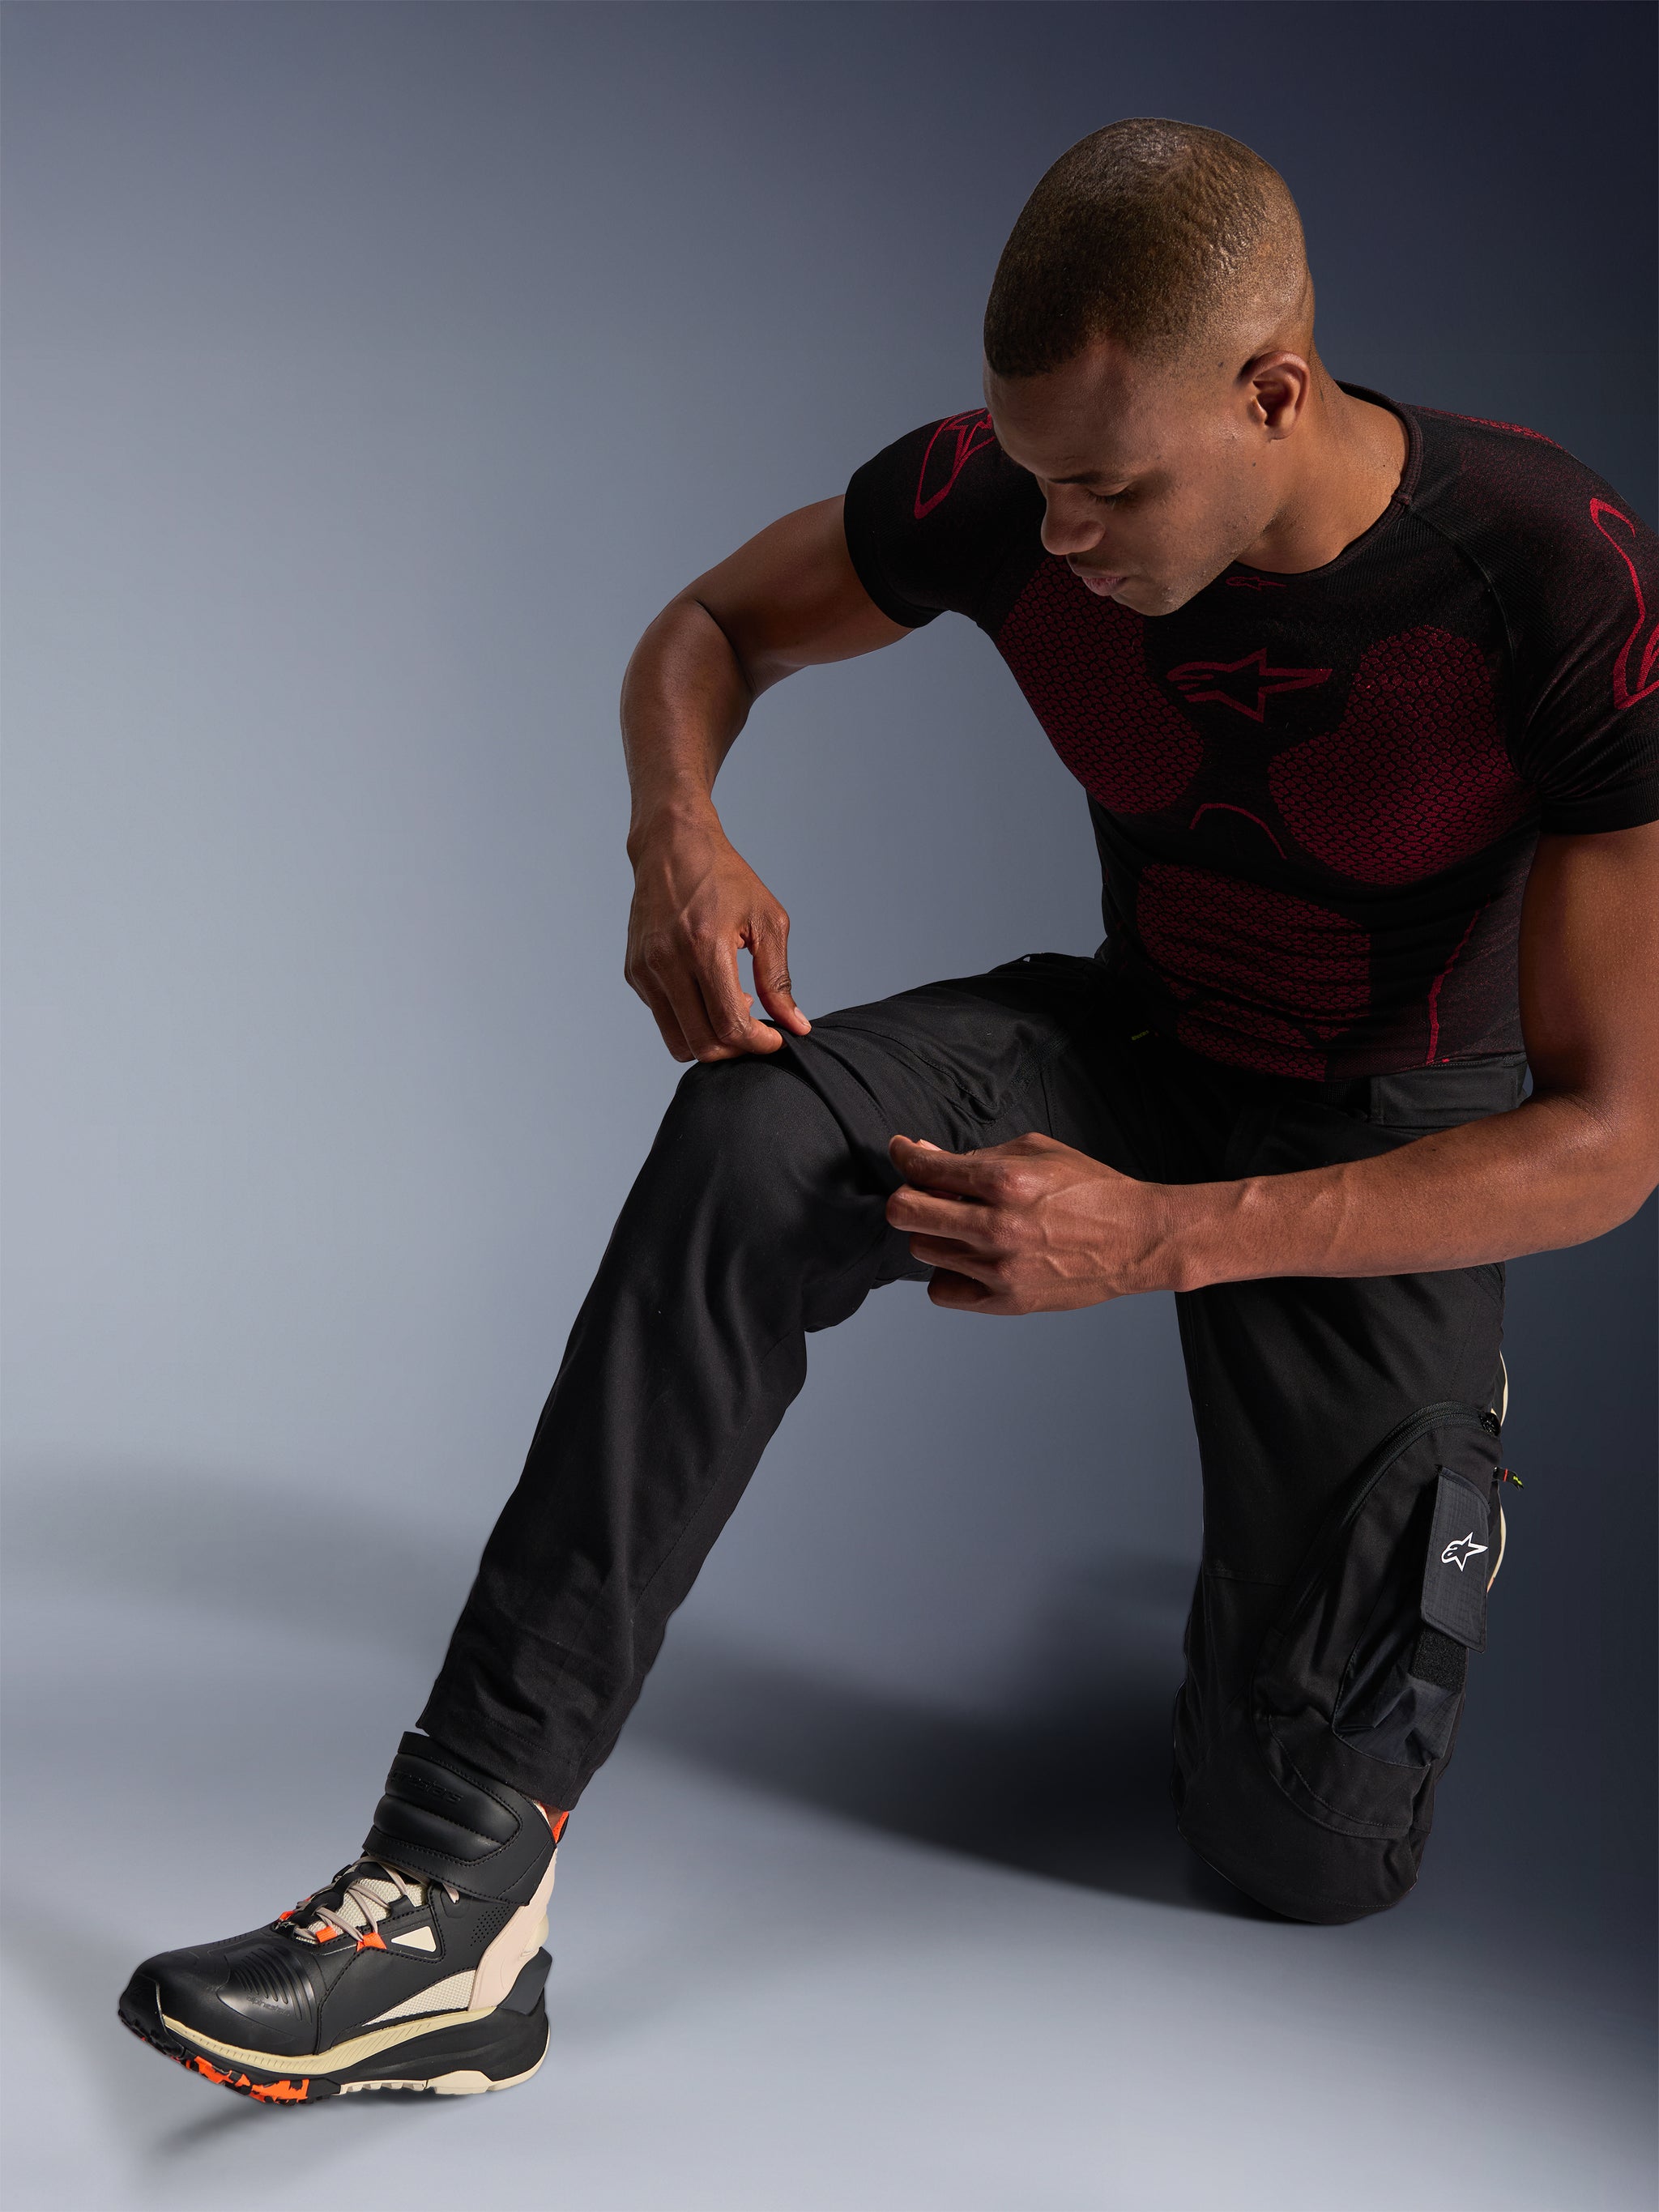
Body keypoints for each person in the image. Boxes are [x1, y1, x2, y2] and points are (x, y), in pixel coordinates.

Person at [120, 117, 1659, 2104]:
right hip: (1128, 1032)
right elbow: (710, 628)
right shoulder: (1005, 492)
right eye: (1038, 481)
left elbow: (1611, 1139)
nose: (1063, 539)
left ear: (1274, 392)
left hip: (1389, 1119)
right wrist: (675, 831)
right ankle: (452, 1896)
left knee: (1301, 1851)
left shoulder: (1552, 572)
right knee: (749, 1140)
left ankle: (1366, 1505)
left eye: (1110, 488)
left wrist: (1166, 1236)